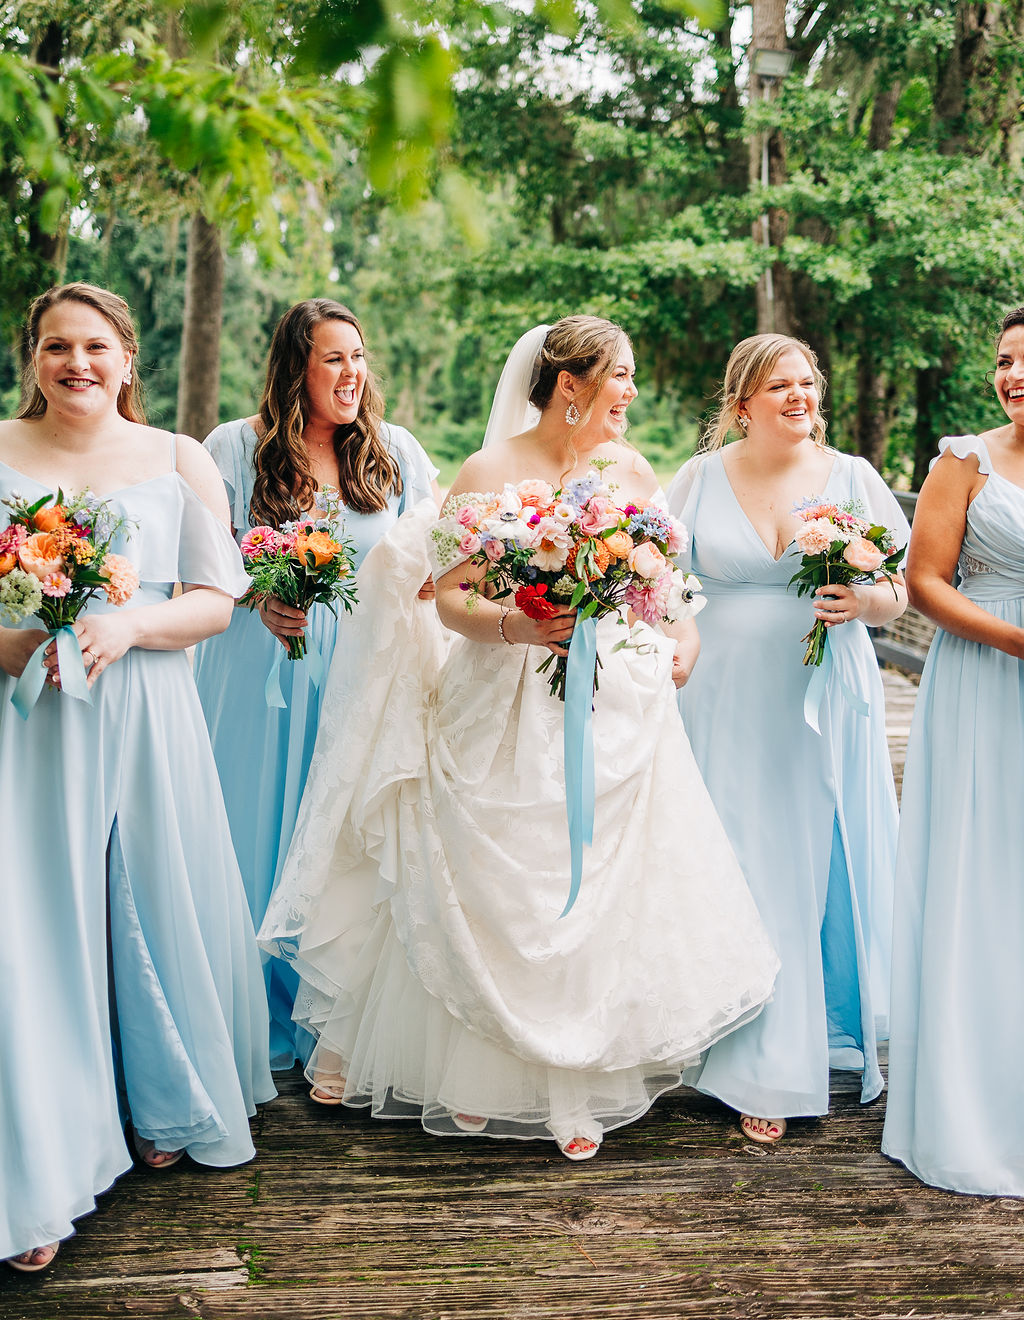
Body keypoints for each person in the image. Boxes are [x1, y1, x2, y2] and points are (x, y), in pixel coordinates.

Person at [261, 315, 779, 1162]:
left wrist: (685, 636)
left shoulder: (630, 468)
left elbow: (667, 583)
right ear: (569, 383)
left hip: (613, 698)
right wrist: (520, 627)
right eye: (622, 376)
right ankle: (473, 1075)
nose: (633, 394)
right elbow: (453, 599)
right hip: (502, 693)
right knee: (495, 879)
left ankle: (576, 1074)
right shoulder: (487, 470)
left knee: (601, 886)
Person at [0, 282, 274, 1277]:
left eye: (95, 347)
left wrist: (124, 624)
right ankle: (44, 1147)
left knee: (141, 903)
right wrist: (32, 637)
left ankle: (157, 1094)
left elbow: (215, 600)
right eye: (55, 346)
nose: (76, 363)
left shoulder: (175, 458)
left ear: (127, 359)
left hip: (146, 709)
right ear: (32, 357)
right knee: (37, 924)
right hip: (27, 721)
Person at [667, 333, 909, 1146]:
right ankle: (732, 1053)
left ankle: (786, 1055)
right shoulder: (699, 479)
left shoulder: (853, 479)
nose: (799, 396)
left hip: (820, 693)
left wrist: (865, 603)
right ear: (741, 405)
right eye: (779, 386)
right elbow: (657, 579)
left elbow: (898, 592)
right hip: (720, 697)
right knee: (733, 860)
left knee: (803, 863)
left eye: (807, 382)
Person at [193, 299, 439, 1074]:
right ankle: (242, 1016)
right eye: (334, 358)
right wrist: (255, 593)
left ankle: (327, 1023)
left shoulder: (392, 451)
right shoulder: (234, 448)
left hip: (359, 676)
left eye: (359, 356)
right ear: (295, 366)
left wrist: (430, 582)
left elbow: (437, 545)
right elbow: (200, 563)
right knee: (251, 828)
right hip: (257, 664)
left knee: (340, 835)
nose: (352, 373)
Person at [883, 308, 1024, 1196]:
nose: (1013, 375)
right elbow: (923, 582)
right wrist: (1016, 643)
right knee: (984, 875)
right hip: (984, 679)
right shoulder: (963, 461)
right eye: (1007, 360)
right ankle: (973, 1107)